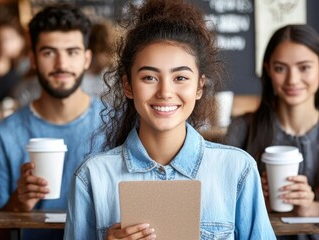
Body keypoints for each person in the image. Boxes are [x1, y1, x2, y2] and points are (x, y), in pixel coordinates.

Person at [64, 0, 275, 239]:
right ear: (128, 85)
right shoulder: (92, 176)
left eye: (180, 78)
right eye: (149, 77)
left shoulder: (238, 170)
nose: (165, 92)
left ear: (199, 87)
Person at [0, 4, 103, 240]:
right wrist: (17, 204)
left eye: (72, 52)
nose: (61, 64)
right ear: (33, 59)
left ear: (86, 59)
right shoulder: (4, 135)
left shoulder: (114, 125)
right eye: (49, 52)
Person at [225, 24, 319, 239]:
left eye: (304, 67)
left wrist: (310, 207)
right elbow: (219, 204)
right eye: (280, 68)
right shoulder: (243, 129)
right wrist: (254, 202)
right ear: (268, 70)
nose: (292, 80)